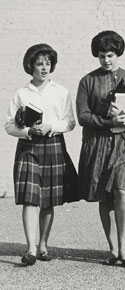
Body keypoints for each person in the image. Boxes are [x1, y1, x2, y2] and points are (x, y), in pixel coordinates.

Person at [76, 30, 125, 267]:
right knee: (104, 196)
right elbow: (83, 116)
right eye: (101, 56)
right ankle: (113, 248)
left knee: (121, 191)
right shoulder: (87, 81)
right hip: (97, 145)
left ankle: (124, 246)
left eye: (110, 55)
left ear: (118, 54)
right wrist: (108, 121)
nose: (106, 60)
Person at [5, 44, 78, 266]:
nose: (44, 68)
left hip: (53, 143)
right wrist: (27, 131)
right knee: (29, 198)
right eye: (39, 63)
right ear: (31, 66)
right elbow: (9, 125)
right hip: (28, 147)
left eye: (47, 63)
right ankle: (30, 249)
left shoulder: (61, 91)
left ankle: (43, 245)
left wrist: (51, 126)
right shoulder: (21, 93)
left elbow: (70, 122)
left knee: (48, 201)